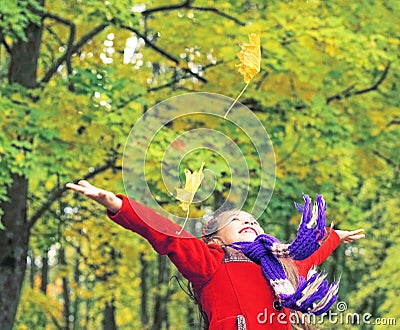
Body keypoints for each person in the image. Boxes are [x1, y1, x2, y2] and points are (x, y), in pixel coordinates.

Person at [66, 180, 365, 330]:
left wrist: (335, 236)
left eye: (253, 220)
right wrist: (119, 206)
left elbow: (312, 255)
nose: (248, 222)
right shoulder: (210, 262)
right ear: (214, 237)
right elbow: (167, 234)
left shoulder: (283, 263)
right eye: (235, 220)